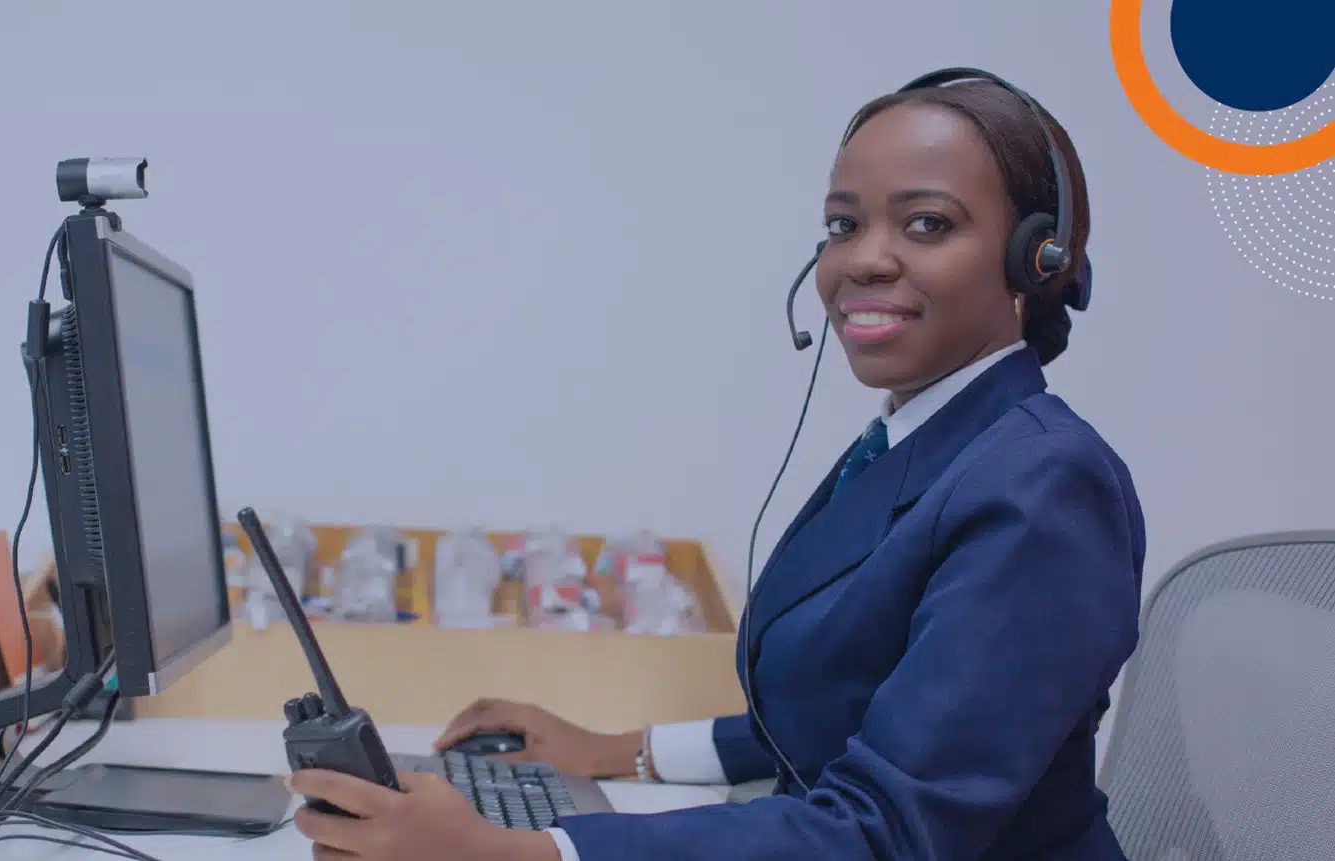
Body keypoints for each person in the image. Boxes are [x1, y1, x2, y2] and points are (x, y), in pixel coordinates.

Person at [287, 69, 1145, 861]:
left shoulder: (1043, 487)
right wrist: (620, 750)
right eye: (843, 224)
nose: (862, 259)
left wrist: (518, 852)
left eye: (927, 223)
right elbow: (846, 711)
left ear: (1035, 259)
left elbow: (887, 828)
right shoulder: (923, 442)